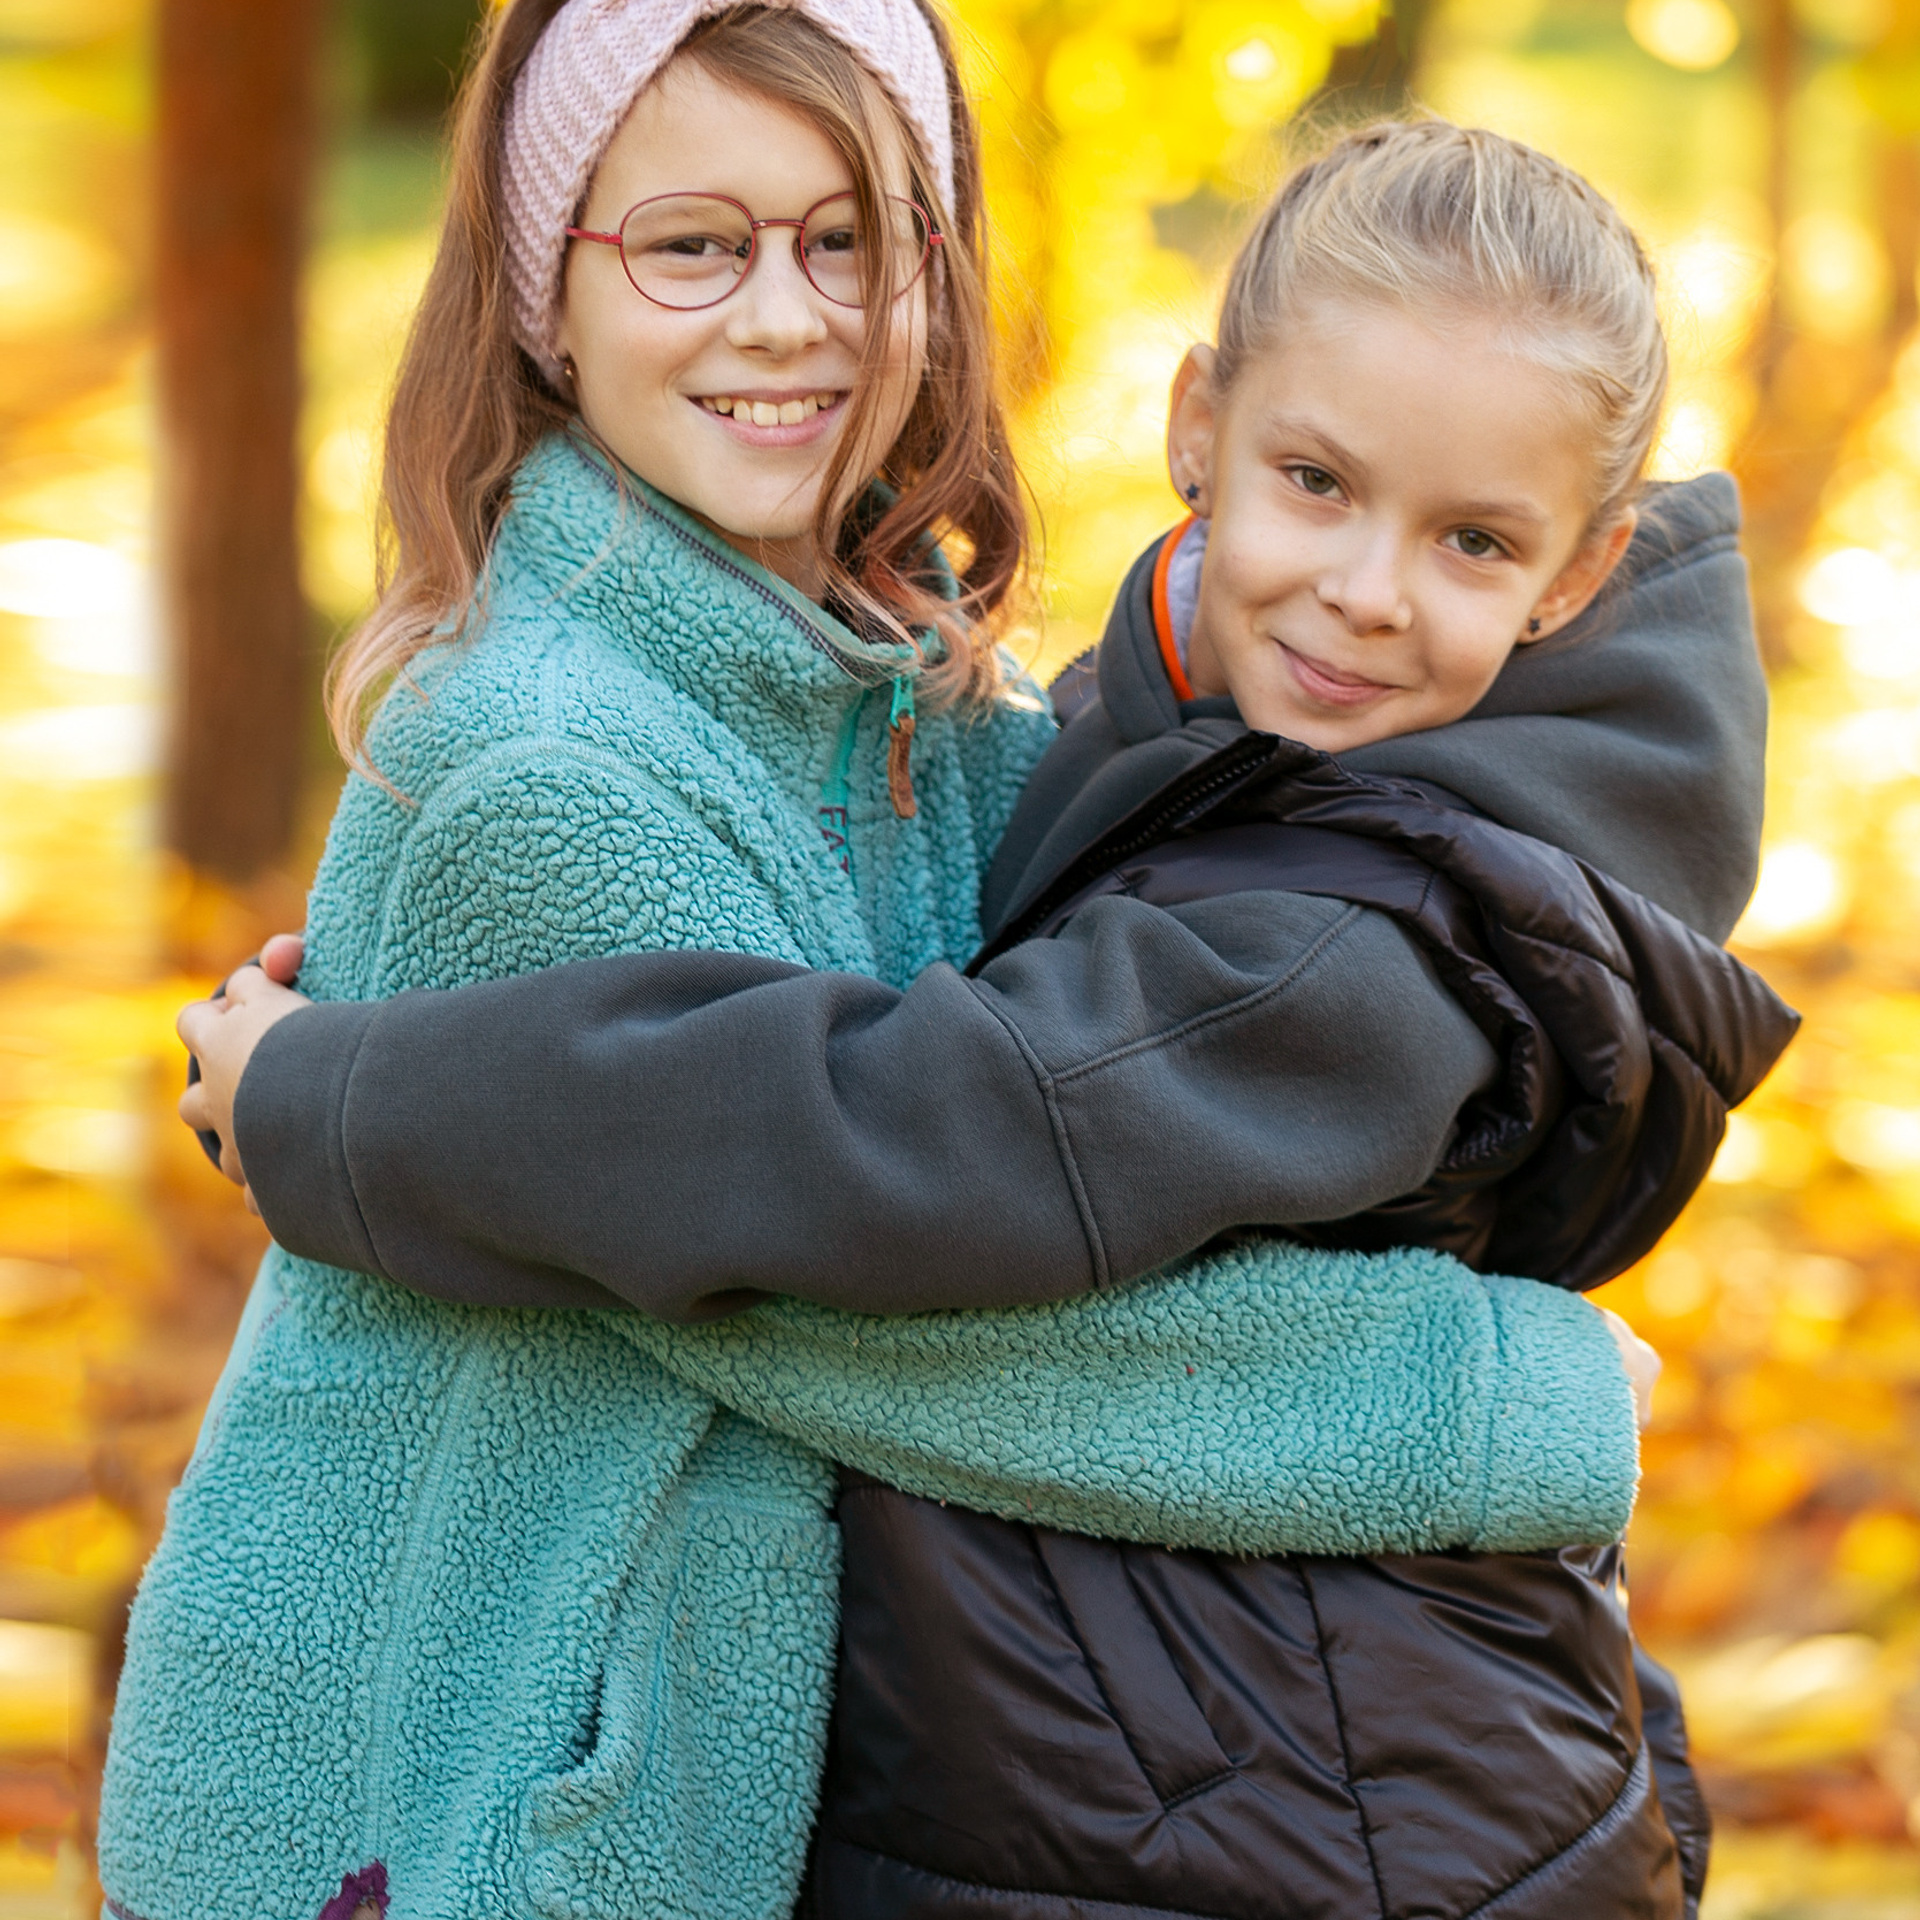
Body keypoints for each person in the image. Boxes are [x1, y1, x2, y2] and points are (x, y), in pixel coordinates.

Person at [113, 9, 1650, 1920]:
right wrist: (1500, 1403)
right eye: (692, 244)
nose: (786, 319)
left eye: (849, 241)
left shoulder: (908, 701)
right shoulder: (547, 766)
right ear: (541, 297)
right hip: (444, 1798)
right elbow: (876, 1315)